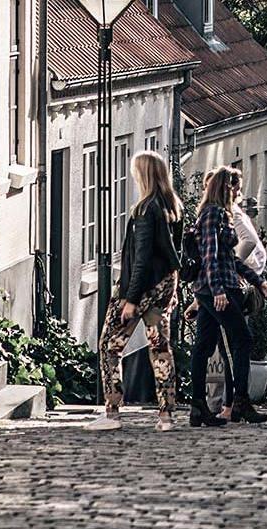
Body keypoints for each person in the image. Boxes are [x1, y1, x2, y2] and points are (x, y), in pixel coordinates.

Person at [85, 151, 183, 432]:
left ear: (144, 175)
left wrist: (130, 299)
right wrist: (171, 289)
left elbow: (141, 258)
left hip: (139, 287)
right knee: (160, 347)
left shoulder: (145, 210)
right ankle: (166, 415)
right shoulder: (173, 206)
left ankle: (112, 411)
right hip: (165, 283)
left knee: (109, 346)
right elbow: (176, 253)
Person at [188, 167, 267, 426]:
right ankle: (240, 401)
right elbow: (210, 257)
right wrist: (218, 291)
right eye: (234, 187)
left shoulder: (220, 214)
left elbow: (229, 260)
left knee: (204, 345)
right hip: (216, 289)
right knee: (241, 339)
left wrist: (258, 281)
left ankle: (198, 407)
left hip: (213, 288)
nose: (238, 192)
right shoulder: (212, 214)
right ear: (225, 187)